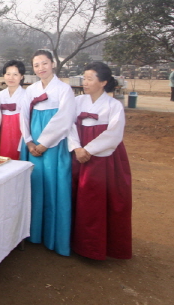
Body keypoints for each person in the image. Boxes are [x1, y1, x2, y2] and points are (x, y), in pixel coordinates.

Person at [68, 62, 132, 260]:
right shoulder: (77, 102)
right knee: (77, 198)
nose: (84, 82)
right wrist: (77, 148)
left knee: (98, 202)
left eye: (89, 78)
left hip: (104, 159)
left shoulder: (114, 105)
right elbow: (68, 124)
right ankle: (75, 243)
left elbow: (113, 135)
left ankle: (96, 247)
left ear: (103, 82)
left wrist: (88, 150)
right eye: (84, 78)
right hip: (78, 155)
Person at [20, 49, 75, 256]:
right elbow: (23, 116)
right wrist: (28, 141)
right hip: (32, 144)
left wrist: (43, 143)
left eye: (44, 63)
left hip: (53, 145)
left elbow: (65, 119)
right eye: (36, 65)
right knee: (34, 186)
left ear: (53, 64)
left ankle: (54, 238)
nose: (40, 68)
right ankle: (32, 233)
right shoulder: (31, 89)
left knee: (54, 188)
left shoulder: (64, 90)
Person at [0, 60, 26, 160]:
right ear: (4, 75)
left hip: (20, 132)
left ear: (21, 76)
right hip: (2, 133)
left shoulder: (26, 95)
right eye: (8, 74)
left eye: (15, 74)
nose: (11, 78)